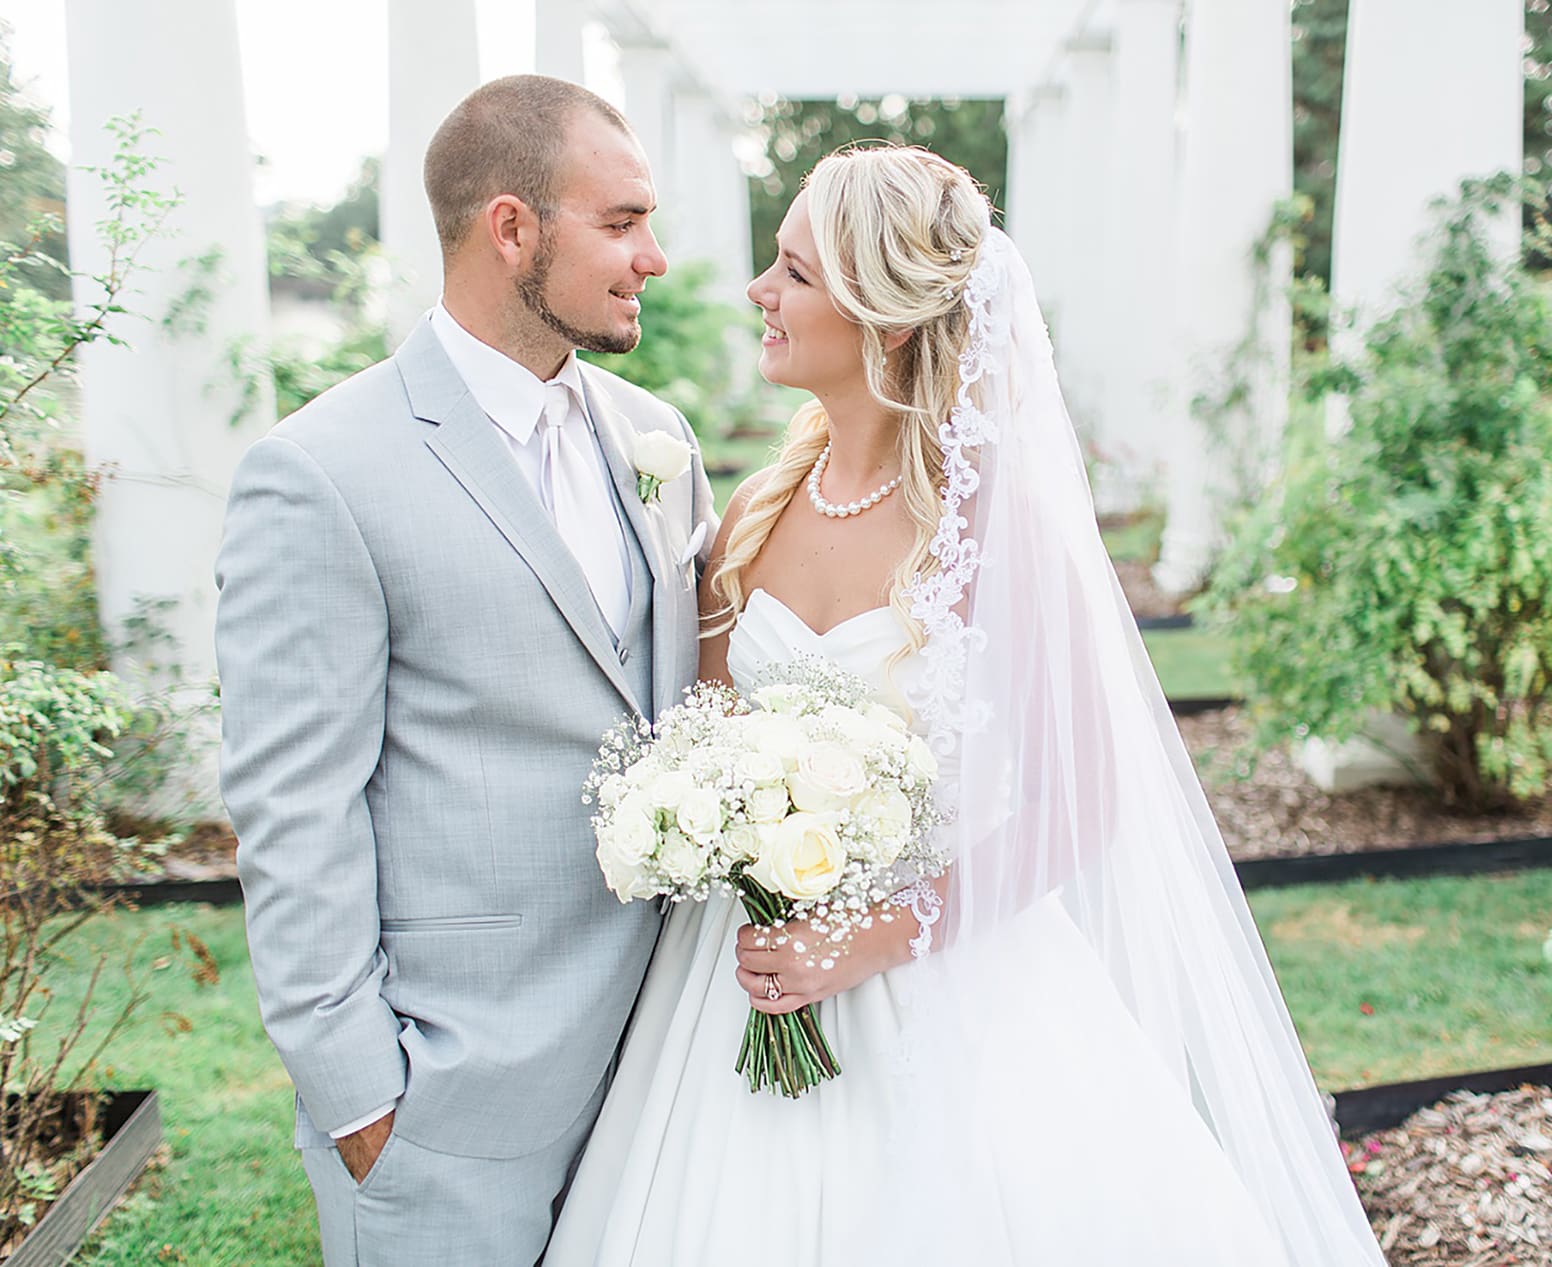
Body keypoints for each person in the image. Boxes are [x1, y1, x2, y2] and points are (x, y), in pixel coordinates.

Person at [545, 145, 1387, 1266]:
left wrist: (857, 944)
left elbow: (1079, 806)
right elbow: (703, 739)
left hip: (946, 986)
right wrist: (716, 839)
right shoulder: (753, 508)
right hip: (735, 979)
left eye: (792, 271)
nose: (760, 290)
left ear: (884, 321)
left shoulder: (992, 532)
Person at [215, 75, 716, 1265]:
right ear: (511, 228)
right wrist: (364, 1102)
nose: (653, 255)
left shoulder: (658, 439)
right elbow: (293, 811)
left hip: (666, 1070)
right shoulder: (320, 473)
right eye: (622, 220)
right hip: (449, 1098)